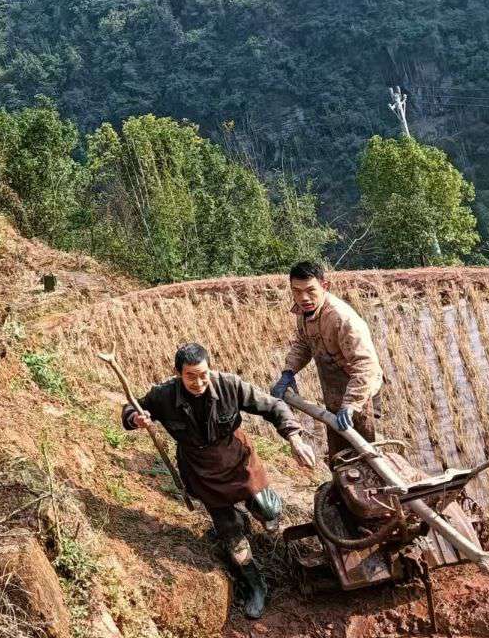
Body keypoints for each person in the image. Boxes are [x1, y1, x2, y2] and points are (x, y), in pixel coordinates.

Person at [123, 343, 315, 619]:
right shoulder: (163, 395)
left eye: (203, 374)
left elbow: (273, 406)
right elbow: (131, 408)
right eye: (190, 376)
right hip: (201, 469)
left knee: (268, 510)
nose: (199, 382)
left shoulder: (229, 385)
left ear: (210, 370)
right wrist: (135, 418)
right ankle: (256, 586)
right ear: (178, 373)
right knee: (231, 534)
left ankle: (258, 511)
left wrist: (294, 438)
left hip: (237, 458)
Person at [271, 261, 383, 464]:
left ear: (324, 286)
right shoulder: (304, 313)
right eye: (297, 291)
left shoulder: (342, 318)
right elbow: (303, 344)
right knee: (341, 455)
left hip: (360, 391)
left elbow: (365, 365)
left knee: (366, 457)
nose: (304, 298)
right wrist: (288, 372)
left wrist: (351, 404)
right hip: (334, 391)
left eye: (310, 290)